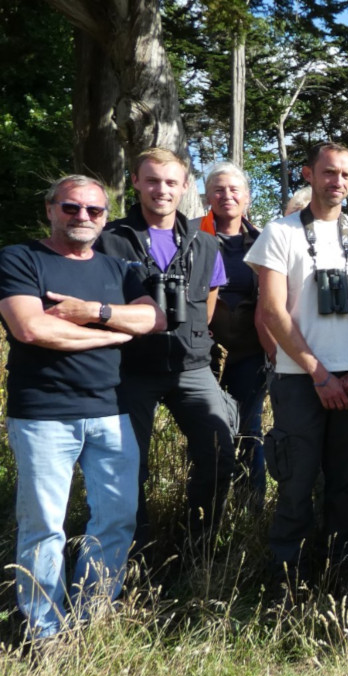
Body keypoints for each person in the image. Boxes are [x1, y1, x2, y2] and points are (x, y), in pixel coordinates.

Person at [0, 175, 165, 641]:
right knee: (44, 527)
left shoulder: (120, 269)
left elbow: (153, 318)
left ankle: (91, 619)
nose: (83, 218)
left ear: (105, 218)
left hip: (111, 413)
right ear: (50, 209)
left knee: (116, 519)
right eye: (71, 208)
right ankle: (44, 633)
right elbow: (31, 330)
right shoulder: (20, 258)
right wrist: (116, 333)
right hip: (42, 415)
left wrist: (92, 312)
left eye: (94, 211)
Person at [245, 141, 348, 600]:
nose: (338, 182)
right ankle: (286, 579)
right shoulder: (280, 232)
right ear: (309, 174)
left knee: (346, 484)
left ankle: (346, 577)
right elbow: (272, 311)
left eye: (347, 175)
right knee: (295, 482)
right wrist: (317, 373)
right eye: (329, 172)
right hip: (299, 380)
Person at [96, 148, 238, 546]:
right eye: (153, 180)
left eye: (171, 182)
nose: (162, 190)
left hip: (191, 366)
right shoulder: (111, 240)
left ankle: (198, 545)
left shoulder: (204, 242)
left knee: (217, 452)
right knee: (127, 465)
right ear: (136, 182)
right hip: (130, 368)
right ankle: (133, 551)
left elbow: (209, 301)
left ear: (186, 187)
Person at [192, 162, 270, 508]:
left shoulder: (264, 240)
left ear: (247, 198)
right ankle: (208, 508)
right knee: (208, 429)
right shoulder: (191, 235)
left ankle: (250, 508)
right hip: (202, 351)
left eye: (234, 189)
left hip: (250, 351)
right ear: (207, 196)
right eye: (219, 189)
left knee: (249, 428)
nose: (227, 196)